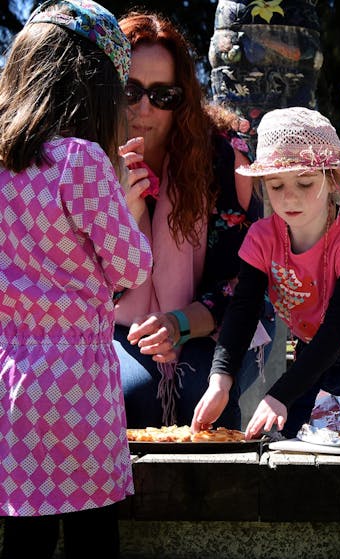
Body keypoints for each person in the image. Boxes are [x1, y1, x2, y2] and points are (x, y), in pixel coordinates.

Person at [0, 2, 152, 558]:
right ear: (97, 87)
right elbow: (131, 268)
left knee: (24, 533)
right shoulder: (81, 162)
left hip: (11, 377)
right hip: (78, 386)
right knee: (93, 532)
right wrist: (128, 209)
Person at [191, 107, 340, 439]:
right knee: (291, 441)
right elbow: (243, 309)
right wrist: (220, 379)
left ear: (332, 180)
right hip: (312, 354)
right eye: (276, 186)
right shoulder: (262, 238)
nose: (289, 196)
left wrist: (278, 395)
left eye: (304, 182)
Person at [114, 11, 275, 430]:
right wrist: (127, 219)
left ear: (182, 99)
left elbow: (241, 285)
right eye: (130, 91)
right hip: (109, 324)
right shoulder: (83, 160)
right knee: (128, 392)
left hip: (206, 326)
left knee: (197, 394)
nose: (143, 108)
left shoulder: (222, 160)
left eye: (162, 95)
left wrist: (177, 323)